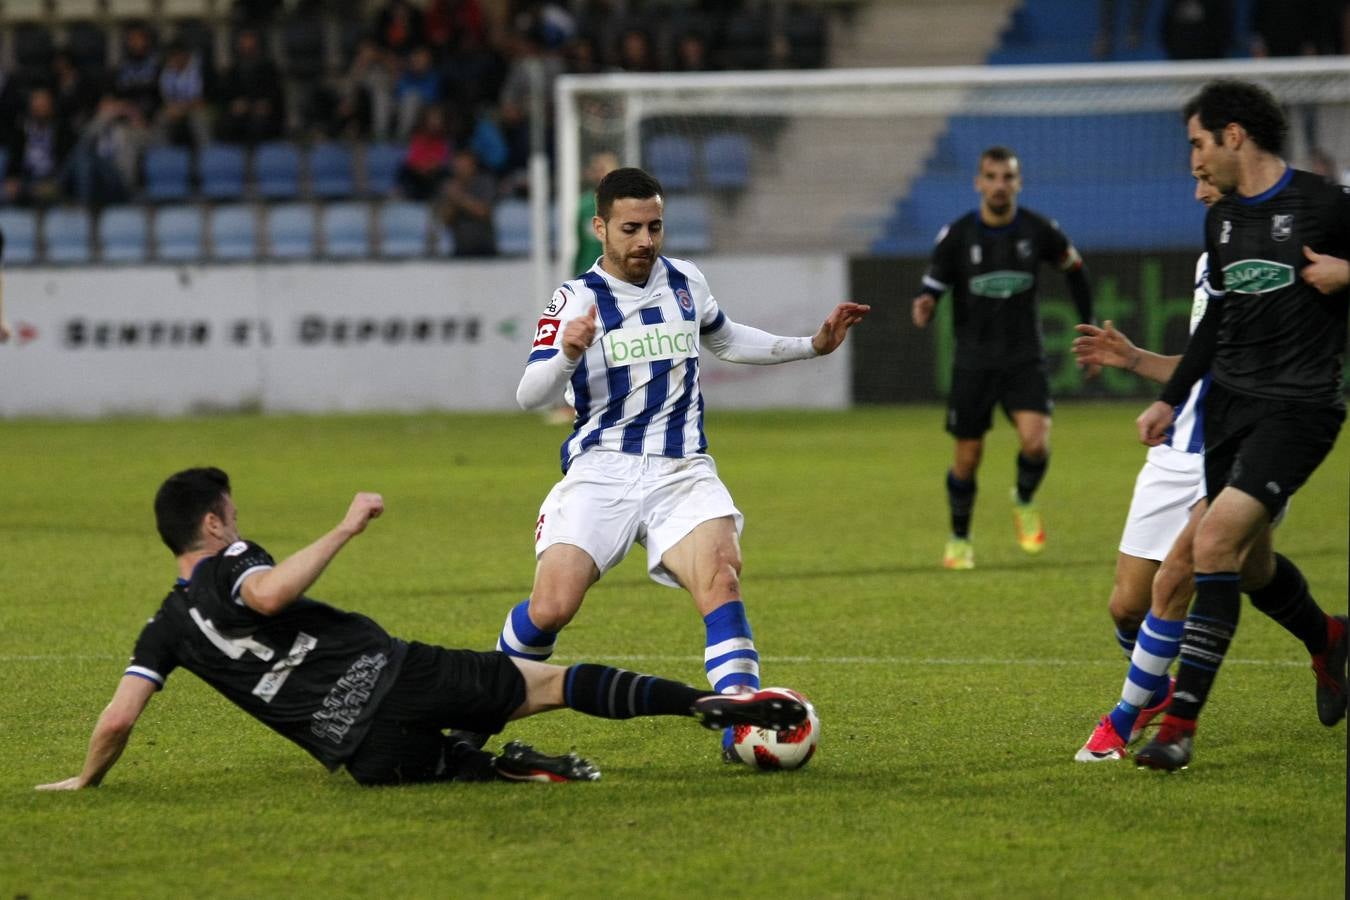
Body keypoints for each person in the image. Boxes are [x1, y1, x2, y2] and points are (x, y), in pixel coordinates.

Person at [35, 467, 809, 790]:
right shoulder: (231, 558)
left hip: (361, 753)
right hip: (394, 673)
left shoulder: (161, 627)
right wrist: (342, 530)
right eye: (232, 513)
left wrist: (85, 780)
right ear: (212, 523)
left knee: (444, 765)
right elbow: (266, 597)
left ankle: (497, 770)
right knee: (556, 682)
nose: (239, 522)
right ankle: (702, 704)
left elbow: (118, 717)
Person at [502, 166, 868, 761]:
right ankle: (481, 702)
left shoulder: (685, 282)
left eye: (654, 226)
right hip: (602, 470)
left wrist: (811, 345)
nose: (645, 239)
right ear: (600, 228)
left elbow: (724, 340)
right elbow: (530, 396)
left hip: (681, 470)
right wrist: (568, 352)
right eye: (630, 228)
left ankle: (741, 727)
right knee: (552, 606)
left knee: (721, 576)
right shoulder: (575, 298)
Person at [1070, 180, 1350, 762]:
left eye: (1204, 169)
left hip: (1249, 441)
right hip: (1178, 449)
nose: (1198, 188)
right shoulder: (1216, 254)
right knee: (1139, 601)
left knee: (1178, 577)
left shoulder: (1297, 235)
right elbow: (1210, 359)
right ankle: (1329, 638)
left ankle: (1130, 717)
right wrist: (1137, 361)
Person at [1132, 79, 1350, 771]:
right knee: (1251, 565)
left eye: (1197, 143)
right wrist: (1170, 397)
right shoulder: (1221, 220)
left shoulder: (1323, 203)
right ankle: (1330, 637)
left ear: (1234, 135)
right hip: (1231, 408)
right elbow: (1215, 324)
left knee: (1213, 544)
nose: (1192, 160)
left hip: (1302, 407)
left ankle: (1179, 729)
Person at [910, 145, 1095, 570]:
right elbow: (931, 289)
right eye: (991, 177)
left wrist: (1088, 326)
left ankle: (1024, 498)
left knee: (1036, 441)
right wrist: (925, 304)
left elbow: (1076, 270)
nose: (999, 185)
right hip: (973, 362)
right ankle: (959, 538)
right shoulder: (957, 236)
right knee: (967, 459)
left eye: (1007, 177)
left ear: (1018, 182)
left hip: (1024, 358)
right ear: (978, 182)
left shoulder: (1039, 230)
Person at [573, 150, 618, 275]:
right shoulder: (585, 205)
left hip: (619, 275)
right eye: (596, 169)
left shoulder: (626, 203)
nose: (600, 174)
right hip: (589, 272)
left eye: (604, 168)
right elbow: (581, 244)